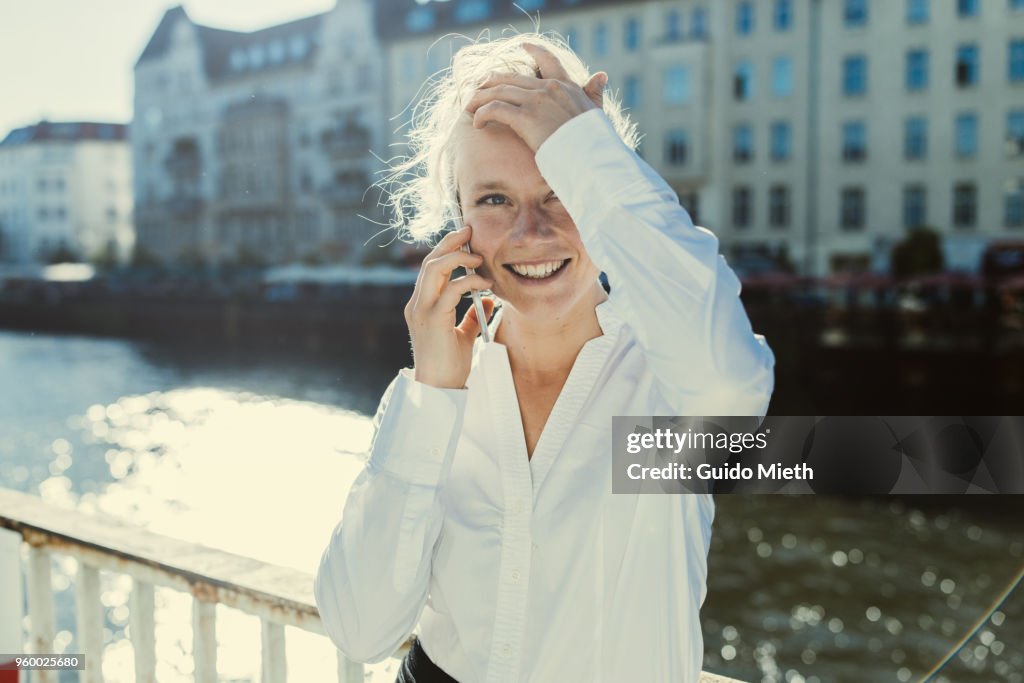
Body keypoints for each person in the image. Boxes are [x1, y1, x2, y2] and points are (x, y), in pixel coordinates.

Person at [315, 33, 775, 683]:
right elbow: (360, 629)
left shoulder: (667, 384)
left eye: (563, 188)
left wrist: (588, 146)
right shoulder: (441, 390)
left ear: (600, 189)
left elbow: (736, 386)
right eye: (495, 199)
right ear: (460, 221)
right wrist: (431, 392)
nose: (533, 231)